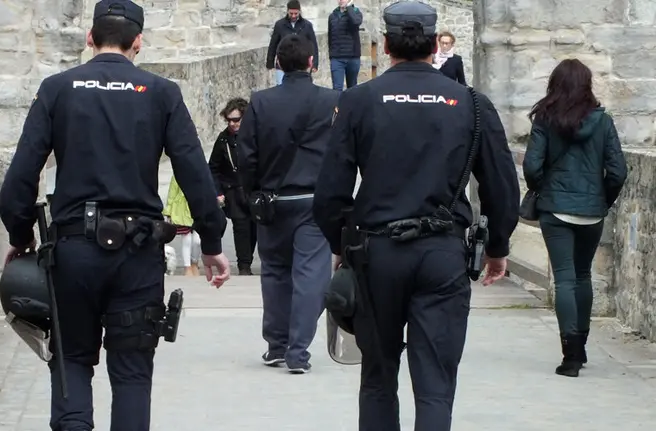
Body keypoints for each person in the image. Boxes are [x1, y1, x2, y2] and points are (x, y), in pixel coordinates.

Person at [0, 1, 230, 430]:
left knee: (71, 364)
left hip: (73, 251)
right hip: (137, 255)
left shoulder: (57, 89)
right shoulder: (161, 93)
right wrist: (212, 242)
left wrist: (20, 232)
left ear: (90, 38)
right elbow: (194, 173)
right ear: (138, 41)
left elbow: (22, 173)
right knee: (132, 374)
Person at [312, 2, 520, 430]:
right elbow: (501, 187)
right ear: (434, 44)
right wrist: (497, 245)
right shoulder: (472, 104)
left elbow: (329, 193)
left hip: (376, 253)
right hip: (442, 253)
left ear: (385, 44)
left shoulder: (357, 101)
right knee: (435, 385)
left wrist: (340, 245)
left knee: (377, 378)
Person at [238, 34, 339, 374]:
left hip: (273, 199)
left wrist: (251, 193)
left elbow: (247, 155)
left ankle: (276, 344)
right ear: (313, 63)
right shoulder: (331, 101)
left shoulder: (261, 101)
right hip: (314, 199)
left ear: (277, 63)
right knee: (311, 274)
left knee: (275, 272)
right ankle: (298, 349)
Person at [522, 58, 628, 378]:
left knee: (565, 277)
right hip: (592, 211)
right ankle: (581, 346)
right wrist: (603, 201)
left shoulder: (545, 119)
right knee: (582, 276)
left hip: (555, 209)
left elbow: (531, 167)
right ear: (587, 85)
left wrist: (544, 190)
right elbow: (618, 171)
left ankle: (570, 356)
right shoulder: (603, 121)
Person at [209, 98, 257, 275]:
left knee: (255, 229)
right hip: (233, 191)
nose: (232, 123)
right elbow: (213, 168)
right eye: (229, 120)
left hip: (254, 190)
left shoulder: (255, 135)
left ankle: (248, 260)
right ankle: (244, 266)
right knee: (241, 227)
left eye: (236, 120)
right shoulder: (223, 140)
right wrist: (218, 192)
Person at [266, 0, 319, 86]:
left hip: (301, 64)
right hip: (282, 63)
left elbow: (313, 45)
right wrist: (270, 63)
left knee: (300, 88)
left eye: (296, 13)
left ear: (299, 12)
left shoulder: (307, 25)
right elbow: (273, 44)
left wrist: (315, 63)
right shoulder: (279, 25)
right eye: (291, 13)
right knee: (281, 87)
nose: (293, 16)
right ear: (287, 11)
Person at [163, 176, 203, 276]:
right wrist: (168, 212)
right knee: (187, 238)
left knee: (197, 241)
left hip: (198, 207)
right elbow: (172, 193)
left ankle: (194, 262)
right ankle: (187, 267)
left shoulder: (201, 170)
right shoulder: (177, 172)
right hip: (181, 209)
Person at [327, 0, 363, 91]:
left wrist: (349, 8)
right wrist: (331, 54)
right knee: (337, 88)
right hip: (337, 58)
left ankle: (351, 106)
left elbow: (356, 22)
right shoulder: (332, 16)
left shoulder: (356, 12)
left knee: (352, 88)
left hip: (352, 57)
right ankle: (337, 105)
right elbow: (330, 36)